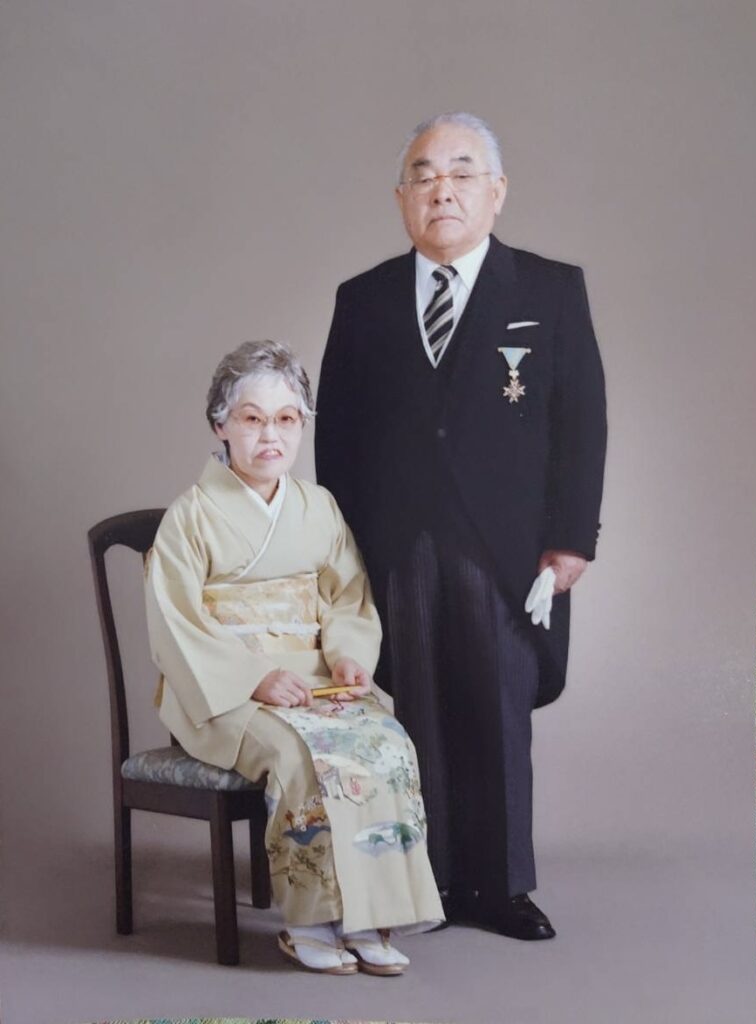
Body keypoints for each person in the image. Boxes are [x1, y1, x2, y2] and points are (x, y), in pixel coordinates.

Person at [315, 112, 607, 941]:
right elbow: (339, 433)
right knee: (418, 710)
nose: (441, 188)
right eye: (423, 174)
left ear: (496, 190)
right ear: (401, 197)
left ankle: (502, 887)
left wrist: (572, 537)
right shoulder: (363, 298)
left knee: (497, 706)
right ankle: (431, 878)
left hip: (506, 541)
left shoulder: (549, 289)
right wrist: (344, 548)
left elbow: (582, 419)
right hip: (397, 537)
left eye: (461, 172)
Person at [145, 340, 443, 976]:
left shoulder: (318, 507)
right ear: (220, 425)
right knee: (299, 756)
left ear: (303, 425)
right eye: (252, 418)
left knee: (386, 743)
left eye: (286, 419)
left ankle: (369, 918)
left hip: (314, 680)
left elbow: (347, 596)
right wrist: (255, 678)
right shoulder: (189, 517)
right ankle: (309, 921)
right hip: (224, 692)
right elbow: (177, 625)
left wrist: (349, 657)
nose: (270, 436)